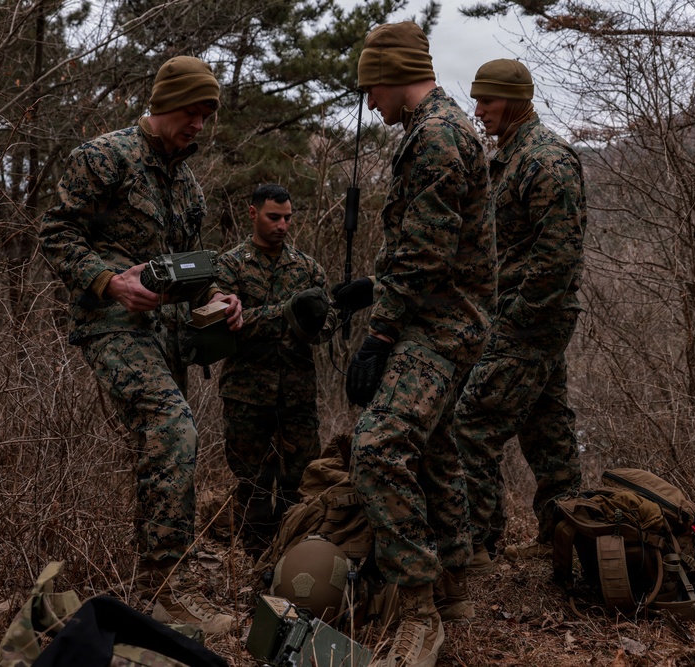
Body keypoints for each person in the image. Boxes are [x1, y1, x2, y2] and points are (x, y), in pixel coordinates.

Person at [38, 55, 243, 635]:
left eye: (207, 116)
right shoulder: (105, 157)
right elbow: (55, 232)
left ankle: (162, 572)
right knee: (173, 428)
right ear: (165, 104)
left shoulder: (189, 186)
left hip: (167, 336)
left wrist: (220, 298)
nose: (199, 125)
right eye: (192, 112)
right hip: (111, 324)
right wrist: (110, 281)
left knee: (167, 442)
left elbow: (192, 271)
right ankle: (165, 590)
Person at [332, 21, 494, 667]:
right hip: (446, 316)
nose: (369, 101)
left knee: (377, 449)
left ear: (394, 75)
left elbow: (426, 256)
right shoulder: (440, 128)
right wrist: (374, 288)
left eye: (370, 87)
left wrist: (378, 336)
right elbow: (433, 247)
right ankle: (453, 586)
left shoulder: (435, 137)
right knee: (434, 448)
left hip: (438, 327)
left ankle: (418, 612)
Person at [454, 59, 586, 572]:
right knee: (546, 426)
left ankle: (478, 546)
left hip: (530, 320)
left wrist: (512, 323)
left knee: (471, 423)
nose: (478, 110)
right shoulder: (510, 158)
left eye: (486, 100)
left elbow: (558, 260)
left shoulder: (546, 161)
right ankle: (564, 541)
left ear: (513, 100)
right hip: (520, 317)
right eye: (476, 99)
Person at [214, 183, 335, 559]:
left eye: (287, 218)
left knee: (301, 482)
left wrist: (309, 323)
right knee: (251, 482)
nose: (282, 225)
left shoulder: (308, 268)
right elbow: (228, 324)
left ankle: (294, 559)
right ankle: (255, 559)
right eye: (274, 217)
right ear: (253, 214)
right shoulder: (230, 266)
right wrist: (287, 314)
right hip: (246, 393)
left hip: (297, 394)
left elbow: (327, 323)